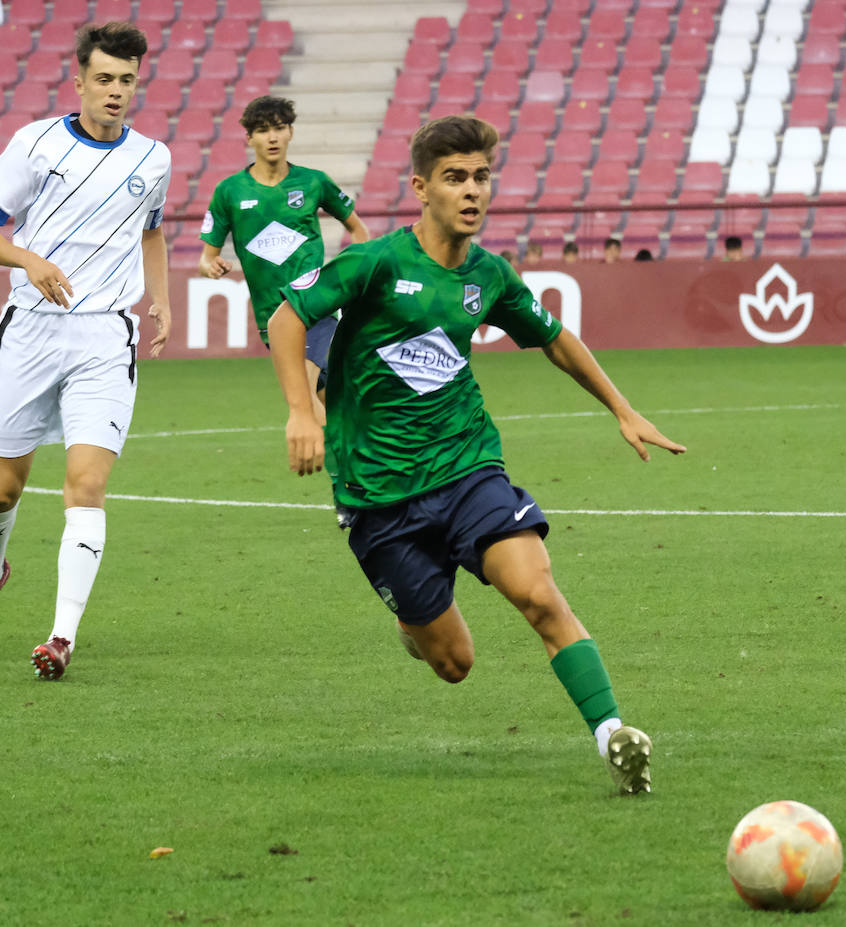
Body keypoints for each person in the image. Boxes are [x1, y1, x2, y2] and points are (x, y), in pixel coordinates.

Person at [266, 115, 686, 794]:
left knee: (538, 593)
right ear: (421, 187)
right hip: (378, 496)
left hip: (467, 470)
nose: (472, 191)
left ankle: (613, 736)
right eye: (455, 178)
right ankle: (414, 618)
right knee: (453, 661)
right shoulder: (375, 263)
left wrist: (622, 407)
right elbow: (288, 317)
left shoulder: (489, 276)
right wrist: (297, 410)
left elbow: (552, 337)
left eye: (481, 177)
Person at [0, 21, 171, 681]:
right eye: (103, 78)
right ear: (78, 80)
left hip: (106, 335)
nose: (115, 91)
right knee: (1, 489)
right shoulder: (36, 143)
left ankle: (60, 636)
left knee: (87, 484)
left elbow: (151, 231)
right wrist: (29, 259)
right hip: (32, 329)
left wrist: (159, 300)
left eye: (126, 80)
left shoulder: (152, 157)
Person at [198, 95, 369, 421]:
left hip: (315, 306)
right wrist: (212, 266)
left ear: (290, 131)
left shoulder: (314, 181)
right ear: (249, 138)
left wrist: (356, 271)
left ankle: (346, 461)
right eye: (263, 130)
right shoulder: (229, 191)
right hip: (272, 319)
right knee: (335, 410)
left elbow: (358, 230)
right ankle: (358, 467)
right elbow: (206, 259)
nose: (272, 137)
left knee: (301, 396)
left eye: (279, 128)